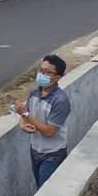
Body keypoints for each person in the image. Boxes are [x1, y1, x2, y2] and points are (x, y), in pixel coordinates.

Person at [14, 55, 71, 188]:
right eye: (41, 70)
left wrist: (25, 114)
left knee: (45, 192)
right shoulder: (34, 93)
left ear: (57, 77)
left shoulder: (60, 101)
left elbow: (49, 132)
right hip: (35, 150)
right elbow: (24, 116)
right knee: (40, 187)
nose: (42, 74)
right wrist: (23, 125)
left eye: (47, 72)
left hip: (53, 155)